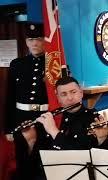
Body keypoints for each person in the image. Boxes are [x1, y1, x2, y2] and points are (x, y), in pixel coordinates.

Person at [4, 22, 49, 180]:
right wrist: (8, 128)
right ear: (26, 41)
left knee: (43, 160)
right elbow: (10, 97)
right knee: (22, 159)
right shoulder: (17, 64)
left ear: (45, 40)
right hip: (20, 118)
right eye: (31, 39)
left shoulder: (54, 64)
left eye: (38, 39)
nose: (35, 43)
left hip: (45, 118)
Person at [36, 76, 108, 150]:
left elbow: (82, 153)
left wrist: (54, 131)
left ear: (81, 93)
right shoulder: (51, 117)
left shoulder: (93, 118)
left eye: (73, 92)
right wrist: (30, 141)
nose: (70, 98)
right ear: (58, 98)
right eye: (64, 94)